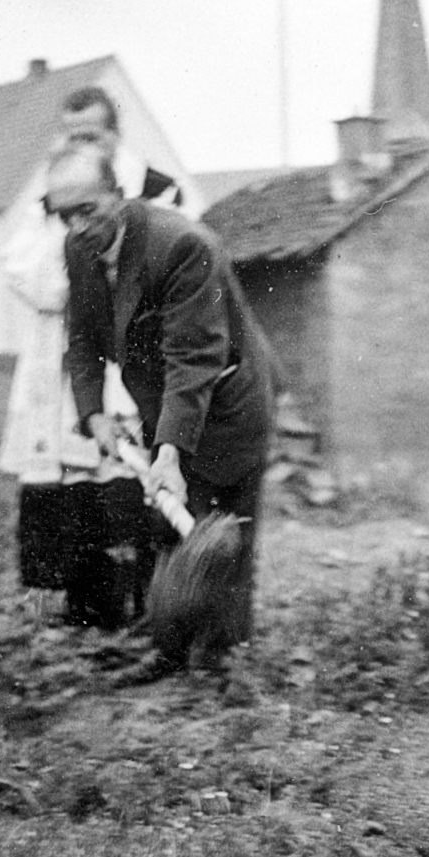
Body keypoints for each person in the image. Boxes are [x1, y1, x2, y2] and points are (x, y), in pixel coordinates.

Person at [49, 142, 274, 669]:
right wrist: (94, 414)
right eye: (65, 216)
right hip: (166, 405)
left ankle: (224, 663)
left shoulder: (181, 246)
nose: (78, 226)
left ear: (117, 194)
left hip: (226, 403)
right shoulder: (79, 249)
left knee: (222, 536)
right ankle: (168, 652)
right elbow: (82, 337)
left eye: (88, 210)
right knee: (168, 530)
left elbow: (193, 360)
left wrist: (168, 452)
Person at [0, 87, 194, 627]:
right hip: (60, 360)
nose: (80, 144)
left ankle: (144, 609)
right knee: (72, 485)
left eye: (91, 134)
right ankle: (87, 611)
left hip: (126, 354)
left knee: (130, 481)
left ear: (115, 134)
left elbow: (154, 270)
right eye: (71, 134)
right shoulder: (53, 195)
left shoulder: (154, 189)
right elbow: (36, 282)